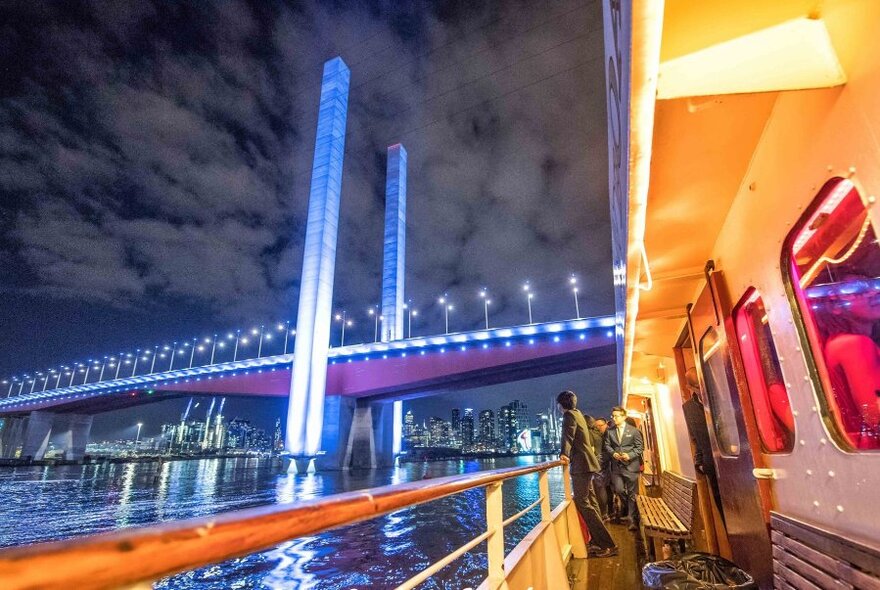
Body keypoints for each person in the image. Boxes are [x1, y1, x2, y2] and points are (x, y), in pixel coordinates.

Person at [557, 390, 618, 557]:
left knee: (583, 503)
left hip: (581, 465)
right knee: (590, 501)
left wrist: (564, 453)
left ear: (561, 405)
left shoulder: (569, 415)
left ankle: (608, 544)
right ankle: (598, 541)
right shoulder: (578, 414)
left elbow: (568, 435)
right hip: (588, 464)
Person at [681, 369, 725, 523]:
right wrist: (699, 460)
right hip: (711, 465)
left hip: (732, 461)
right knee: (722, 509)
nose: (703, 390)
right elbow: (696, 437)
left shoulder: (721, 397)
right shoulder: (688, 408)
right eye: (698, 387)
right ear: (690, 388)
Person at [604, 405, 643, 531]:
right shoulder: (610, 431)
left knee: (633, 494)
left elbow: (639, 448)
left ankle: (632, 520)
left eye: (616, 416)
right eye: (613, 416)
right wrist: (613, 453)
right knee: (619, 490)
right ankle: (628, 508)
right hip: (617, 467)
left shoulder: (634, 431)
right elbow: (607, 446)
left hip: (631, 466)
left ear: (624, 416)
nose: (614, 418)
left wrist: (629, 455)